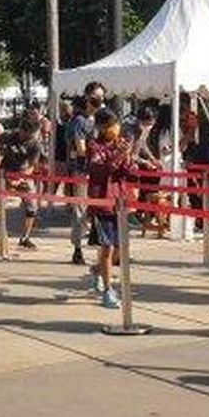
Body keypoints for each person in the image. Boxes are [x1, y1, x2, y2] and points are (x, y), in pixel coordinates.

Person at [86, 108, 133, 309]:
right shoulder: (93, 146)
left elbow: (128, 172)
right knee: (107, 247)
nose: (115, 129)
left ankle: (98, 269)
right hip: (101, 202)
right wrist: (117, 156)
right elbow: (100, 171)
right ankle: (108, 289)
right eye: (111, 125)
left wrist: (127, 156)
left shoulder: (118, 144)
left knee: (119, 248)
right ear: (101, 127)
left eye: (116, 124)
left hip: (119, 200)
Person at [65, 83, 106, 265]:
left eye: (102, 97)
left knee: (99, 207)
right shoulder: (80, 121)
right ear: (87, 97)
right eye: (96, 97)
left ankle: (99, 244)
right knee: (80, 209)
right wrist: (99, 152)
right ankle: (77, 248)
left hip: (97, 170)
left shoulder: (98, 119)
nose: (99, 100)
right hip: (82, 169)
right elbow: (81, 149)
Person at [0, 114, 44, 250]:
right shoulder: (9, 136)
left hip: (23, 173)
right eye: (25, 134)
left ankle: (25, 237)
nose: (27, 137)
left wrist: (20, 178)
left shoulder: (35, 144)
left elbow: (31, 166)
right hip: (5, 171)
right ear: (20, 129)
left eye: (30, 135)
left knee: (32, 206)